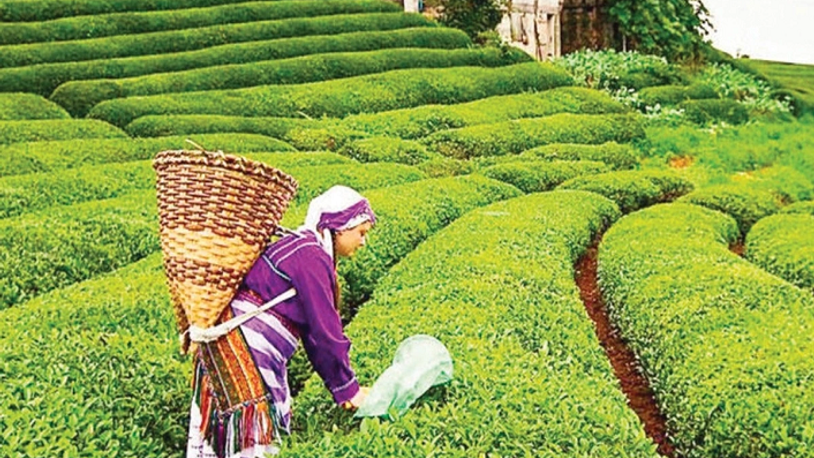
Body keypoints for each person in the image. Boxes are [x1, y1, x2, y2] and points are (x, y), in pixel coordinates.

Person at [186, 185, 377, 458]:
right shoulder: (311, 255)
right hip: (247, 349)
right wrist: (350, 390)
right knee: (251, 437)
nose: (363, 242)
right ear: (339, 227)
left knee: (223, 435)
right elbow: (325, 332)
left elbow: (315, 335)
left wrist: (343, 387)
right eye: (361, 233)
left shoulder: (302, 246)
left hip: (234, 345)